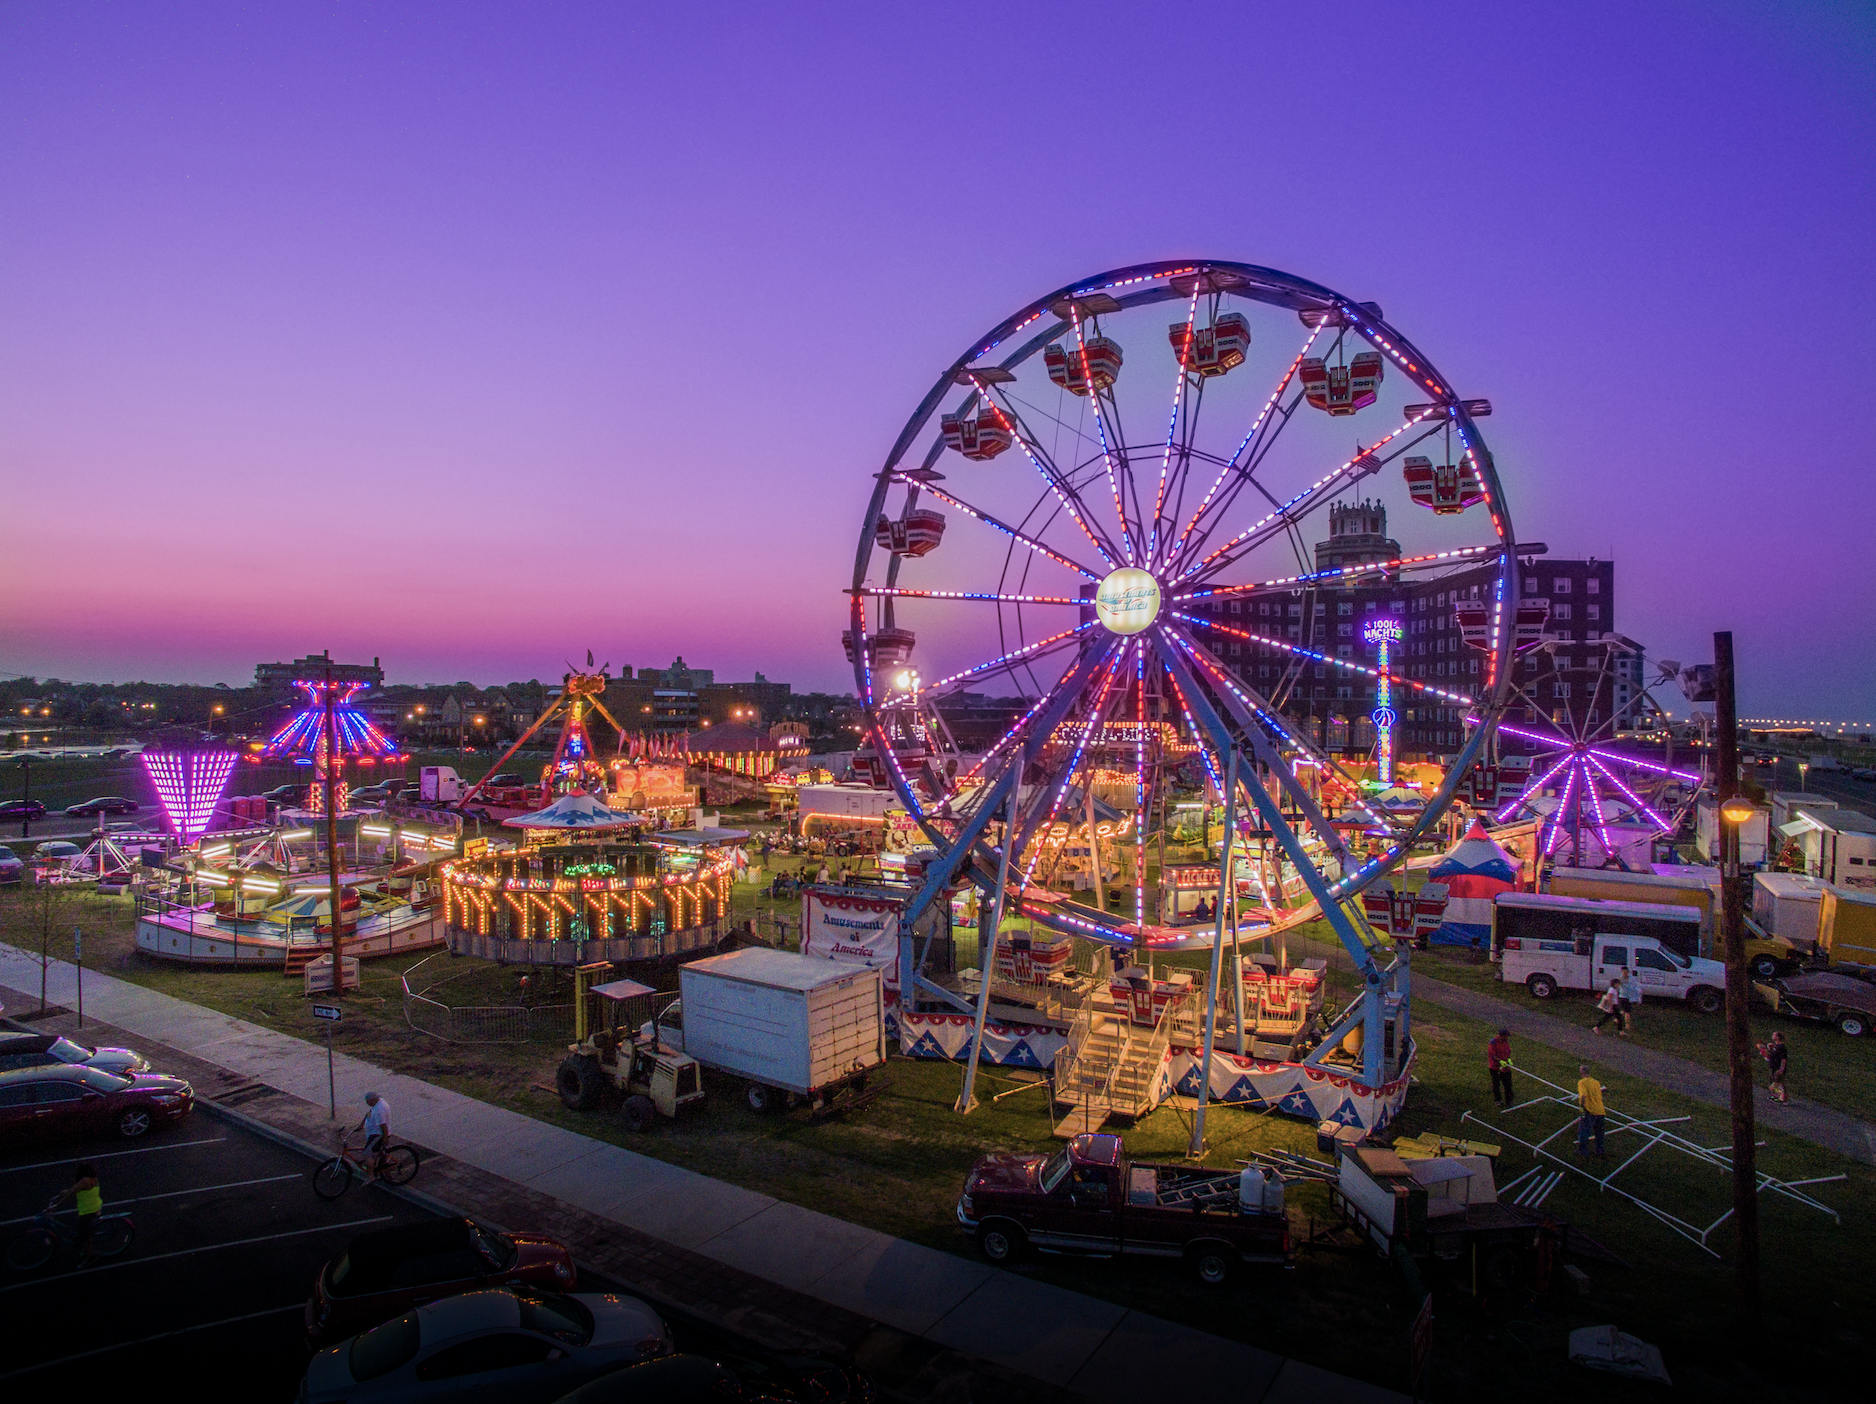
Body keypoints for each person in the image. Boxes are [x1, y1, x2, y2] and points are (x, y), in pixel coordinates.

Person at [47, 1163, 101, 1265]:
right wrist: (63, 1192)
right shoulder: (94, 1179)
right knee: (80, 1229)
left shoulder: (84, 1181)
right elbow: (75, 1190)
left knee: (85, 1236)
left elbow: (71, 1193)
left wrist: (56, 1205)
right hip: (95, 1206)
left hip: (87, 1211)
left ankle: (90, 1257)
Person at [356, 1092, 391, 1180]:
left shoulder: (380, 1110)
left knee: (368, 1154)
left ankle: (371, 1176)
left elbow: (383, 1126)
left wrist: (385, 1138)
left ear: (373, 1100)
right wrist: (362, 1124)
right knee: (379, 1154)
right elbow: (369, 1112)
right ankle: (385, 1171)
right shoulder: (377, 1104)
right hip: (372, 1133)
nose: (367, 1103)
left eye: (368, 1101)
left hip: (377, 1135)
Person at [1576, 1064, 1606, 1157]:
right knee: (1599, 1133)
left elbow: (1583, 1095)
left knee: (1584, 1131)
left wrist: (1582, 1108)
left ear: (1581, 1072)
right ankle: (1599, 1151)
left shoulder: (1582, 1082)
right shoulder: (1596, 1082)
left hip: (1590, 1110)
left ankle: (1583, 1151)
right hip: (1600, 1110)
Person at [1487, 1027, 1514, 1109]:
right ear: (1501, 1035)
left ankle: (1509, 1101)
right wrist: (1500, 1062)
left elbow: (1508, 1051)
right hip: (1495, 1068)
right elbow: (1493, 1055)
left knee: (1508, 1084)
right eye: (1506, 1036)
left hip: (1506, 1068)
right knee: (1496, 1084)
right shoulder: (1493, 1042)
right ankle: (1498, 1100)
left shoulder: (1505, 1042)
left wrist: (1508, 1060)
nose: (1507, 1038)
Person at [1761, 1031, 1789, 1103]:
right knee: (1775, 1084)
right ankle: (1780, 1097)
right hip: (1773, 1067)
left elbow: (1783, 1059)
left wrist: (1781, 1069)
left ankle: (1783, 1098)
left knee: (1776, 1085)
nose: (1772, 1036)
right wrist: (1767, 1049)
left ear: (1778, 1037)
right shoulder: (1775, 1046)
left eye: (1774, 1035)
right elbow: (1772, 1056)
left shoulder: (1781, 1047)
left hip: (1777, 1068)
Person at [1619, 969, 1642, 1036]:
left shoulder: (1630, 979)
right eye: (1623, 972)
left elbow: (1634, 987)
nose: (1625, 973)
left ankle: (1621, 1021)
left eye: (1626, 972)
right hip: (1623, 997)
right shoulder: (1622, 979)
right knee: (1626, 1011)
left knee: (1625, 1011)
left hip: (1627, 997)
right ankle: (1626, 1024)